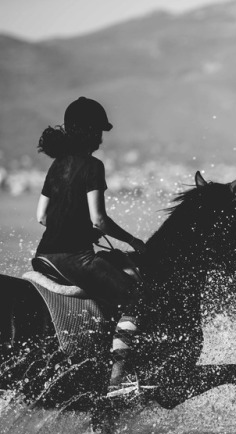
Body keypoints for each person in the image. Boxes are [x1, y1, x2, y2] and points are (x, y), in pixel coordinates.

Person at [34, 96, 147, 397]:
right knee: (137, 297)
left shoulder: (57, 165)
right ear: (86, 131)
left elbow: (41, 216)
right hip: (75, 259)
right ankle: (118, 382)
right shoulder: (93, 166)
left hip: (44, 256)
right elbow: (99, 220)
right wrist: (134, 241)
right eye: (98, 131)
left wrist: (72, 225)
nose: (100, 138)